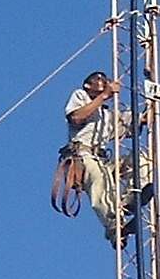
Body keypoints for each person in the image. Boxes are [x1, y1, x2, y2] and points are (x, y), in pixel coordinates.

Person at [64, 71, 153, 247]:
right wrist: (105, 95)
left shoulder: (107, 116)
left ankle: (130, 201)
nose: (103, 81)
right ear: (87, 85)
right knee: (99, 181)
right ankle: (114, 226)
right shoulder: (81, 96)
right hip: (83, 156)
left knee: (140, 161)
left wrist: (151, 94)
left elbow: (138, 122)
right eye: (97, 79)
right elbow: (75, 117)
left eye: (105, 79)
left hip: (103, 159)